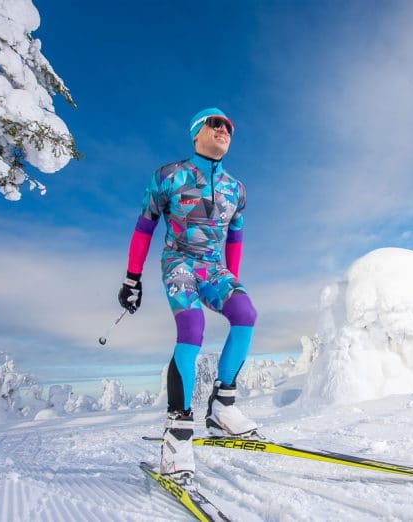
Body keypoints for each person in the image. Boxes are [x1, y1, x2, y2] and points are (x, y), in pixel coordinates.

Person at [118, 107, 257, 483]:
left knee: (245, 313)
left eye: (228, 125)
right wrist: (132, 279)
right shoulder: (167, 176)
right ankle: (177, 434)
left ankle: (222, 408)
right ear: (196, 133)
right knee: (192, 328)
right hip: (179, 262)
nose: (224, 129)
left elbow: (236, 238)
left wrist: (231, 282)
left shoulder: (237, 189)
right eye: (215, 124)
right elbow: (144, 227)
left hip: (214, 269)